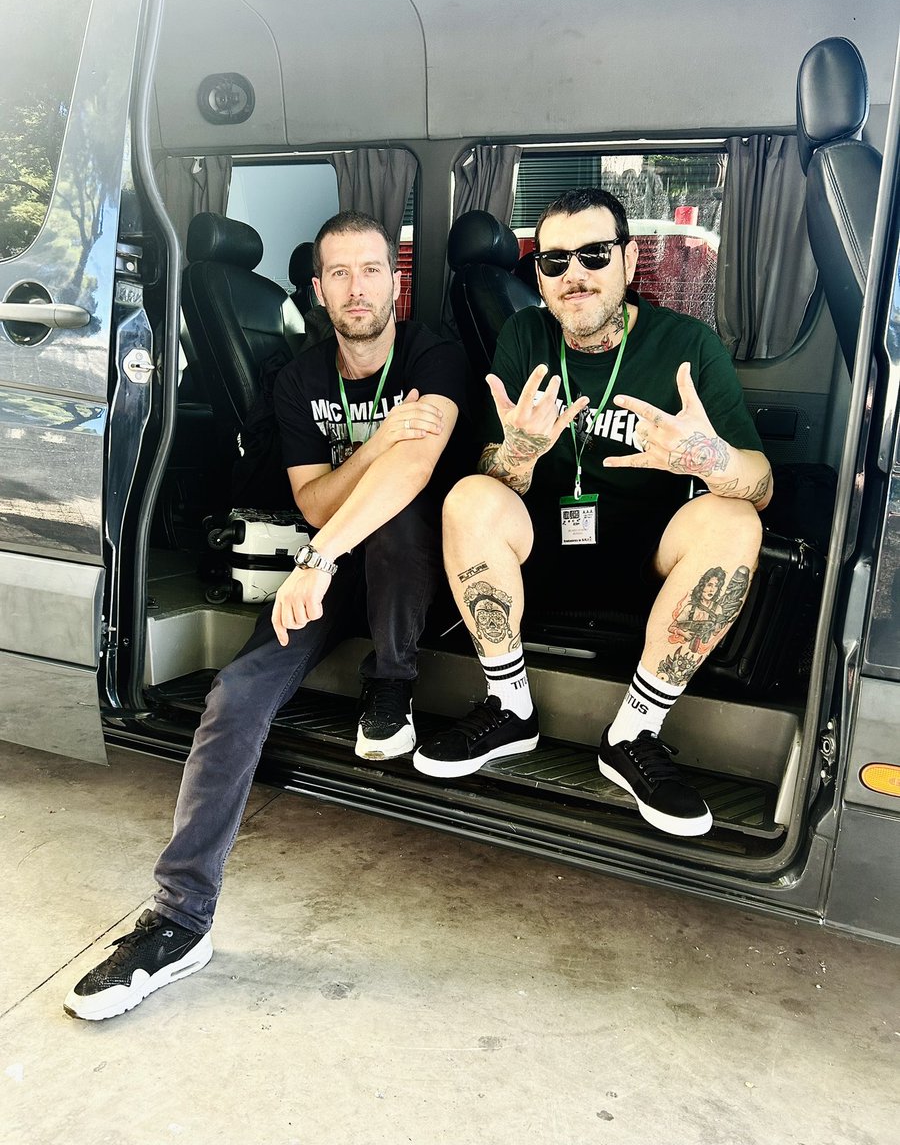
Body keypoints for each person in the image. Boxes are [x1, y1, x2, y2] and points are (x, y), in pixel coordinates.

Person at [64, 211, 470, 1020]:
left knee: (395, 517)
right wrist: (378, 440)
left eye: (372, 270)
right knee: (236, 696)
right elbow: (313, 499)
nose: (358, 289)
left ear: (396, 281)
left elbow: (415, 473)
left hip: (409, 573)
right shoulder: (299, 377)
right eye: (339, 275)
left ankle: (391, 685)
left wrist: (325, 548)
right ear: (318, 291)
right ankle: (181, 919)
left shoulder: (435, 355)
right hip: (323, 572)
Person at [412, 188, 772, 839]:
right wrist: (519, 453)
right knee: (470, 494)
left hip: (648, 547)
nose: (574, 274)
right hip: (544, 536)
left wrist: (713, 461)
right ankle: (509, 706)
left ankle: (634, 733)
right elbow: (496, 471)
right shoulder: (524, 334)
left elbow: (762, 482)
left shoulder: (686, 344)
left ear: (630, 262)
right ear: (540, 277)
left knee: (737, 520)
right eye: (554, 262)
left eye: (594, 254)